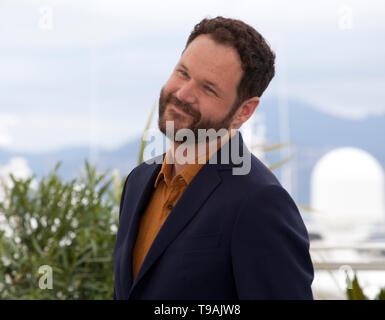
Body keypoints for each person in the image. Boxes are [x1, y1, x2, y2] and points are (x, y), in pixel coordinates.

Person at [113, 16, 314, 300]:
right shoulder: (138, 181)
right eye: (182, 73)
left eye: (208, 88)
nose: (182, 94)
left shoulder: (261, 203)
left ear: (244, 111)